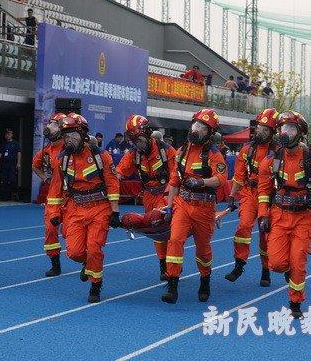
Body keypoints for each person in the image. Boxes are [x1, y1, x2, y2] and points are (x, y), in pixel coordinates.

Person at [257, 111, 311, 318]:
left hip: (303, 218)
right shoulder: (270, 162)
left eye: (291, 129)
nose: (285, 133)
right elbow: (264, 190)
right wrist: (263, 215)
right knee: (276, 263)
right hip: (279, 216)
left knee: (298, 261)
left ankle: (295, 303)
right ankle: (290, 272)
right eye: (283, 128)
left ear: (300, 133)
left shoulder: (310, 160)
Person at [46, 113, 120, 303]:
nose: (69, 139)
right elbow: (55, 188)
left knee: (94, 248)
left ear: (83, 134)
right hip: (75, 208)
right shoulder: (62, 160)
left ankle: (96, 284)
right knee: (74, 252)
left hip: (99, 208)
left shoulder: (101, 156)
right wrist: (54, 212)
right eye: (66, 136)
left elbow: (112, 183)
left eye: (73, 135)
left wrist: (115, 211)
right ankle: (87, 263)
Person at [161, 108, 227, 304]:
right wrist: (170, 207)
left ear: (210, 133)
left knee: (203, 249)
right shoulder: (181, 151)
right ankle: (172, 286)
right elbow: (174, 181)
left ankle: (205, 278)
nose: (197, 129)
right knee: (175, 240)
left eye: (202, 127)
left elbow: (221, 179)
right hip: (182, 203)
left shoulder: (214, 154)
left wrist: (202, 183)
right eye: (195, 125)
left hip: (204, 207)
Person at [116, 115, 177, 281]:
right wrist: (116, 177)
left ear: (148, 133)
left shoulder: (167, 151)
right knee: (156, 232)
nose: (137, 144)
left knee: (168, 231)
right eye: (134, 141)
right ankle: (163, 265)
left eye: (139, 140)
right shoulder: (134, 154)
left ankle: (172, 268)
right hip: (149, 195)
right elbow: (121, 170)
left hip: (166, 193)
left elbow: (176, 175)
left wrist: (169, 199)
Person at [225, 108, 279, 287]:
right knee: (243, 228)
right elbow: (239, 176)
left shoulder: (278, 152)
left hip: (269, 196)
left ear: (273, 132)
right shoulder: (246, 150)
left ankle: (266, 271)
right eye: (259, 127)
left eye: (265, 129)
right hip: (249, 193)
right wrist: (232, 195)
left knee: (265, 235)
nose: (259, 132)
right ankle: (239, 265)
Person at [32, 113, 67, 276]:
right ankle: (55, 264)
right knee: (50, 230)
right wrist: (45, 177)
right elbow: (35, 165)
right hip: (54, 196)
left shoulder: (70, 147)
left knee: (71, 231)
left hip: (72, 196)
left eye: (55, 123)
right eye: (50, 123)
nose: (50, 126)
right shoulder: (47, 150)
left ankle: (86, 260)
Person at [0, 128, 21, 201]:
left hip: (12, 164)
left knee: (12, 179)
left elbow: (19, 153)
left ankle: (15, 194)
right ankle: (5, 196)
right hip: (4, 164)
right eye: (6, 134)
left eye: (9, 134)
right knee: (4, 180)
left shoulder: (16, 143)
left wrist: (18, 163)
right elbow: (0, 153)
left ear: (12, 135)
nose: (7, 135)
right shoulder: (3, 144)